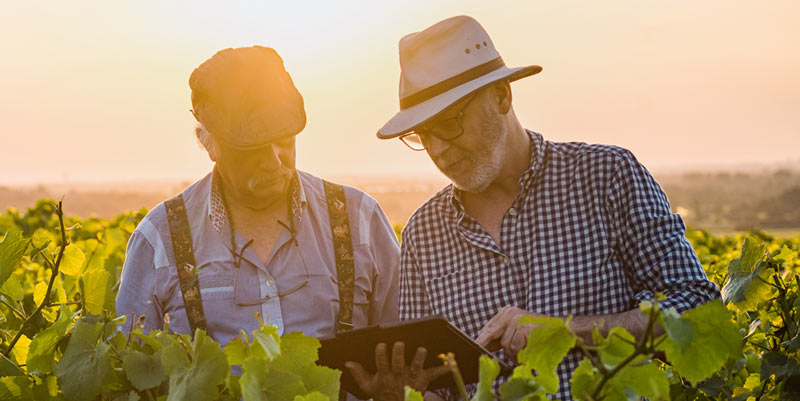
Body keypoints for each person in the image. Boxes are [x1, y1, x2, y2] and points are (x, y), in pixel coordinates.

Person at [349, 15, 720, 400]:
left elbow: (697, 307)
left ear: (501, 96)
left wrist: (564, 331)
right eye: (423, 134)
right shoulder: (422, 232)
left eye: (448, 122)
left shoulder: (607, 176)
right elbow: (438, 390)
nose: (438, 148)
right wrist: (401, 394)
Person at [116, 46, 399, 348]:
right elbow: (131, 369)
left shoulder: (361, 220)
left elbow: (407, 348)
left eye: (283, 140)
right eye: (253, 149)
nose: (275, 160)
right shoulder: (160, 239)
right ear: (209, 145)